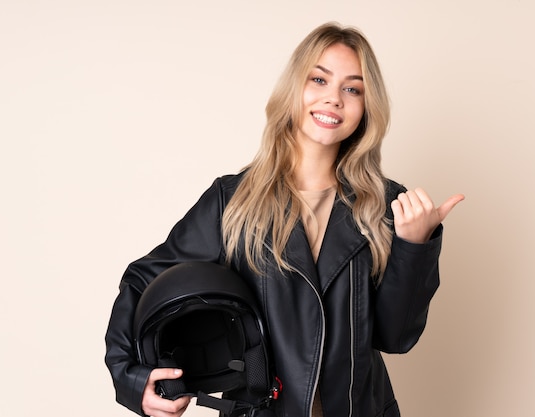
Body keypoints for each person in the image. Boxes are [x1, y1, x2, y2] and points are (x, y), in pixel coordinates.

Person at [105, 22, 464, 417]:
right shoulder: (233, 200)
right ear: (295, 87)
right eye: (319, 79)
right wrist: (134, 379)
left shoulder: (387, 204)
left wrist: (415, 246)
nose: (334, 100)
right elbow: (143, 280)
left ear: (366, 107)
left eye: (352, 88)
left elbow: (395, 337)